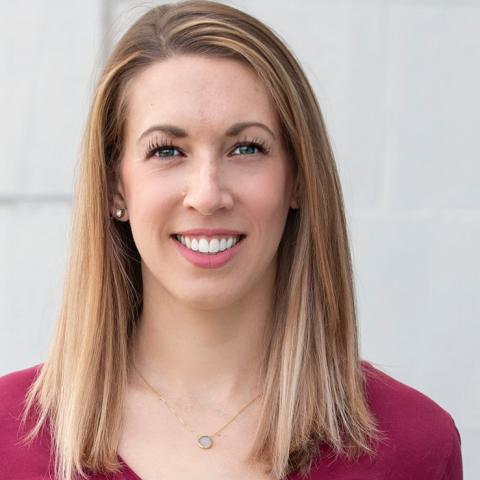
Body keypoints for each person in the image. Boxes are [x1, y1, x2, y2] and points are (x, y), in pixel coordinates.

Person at [0, 1, 462, 479]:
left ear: (298, 178)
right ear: (116, 187)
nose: (207, 194)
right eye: (167, 150)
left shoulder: (414, 445)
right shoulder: (6, 439)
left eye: (246, 148)